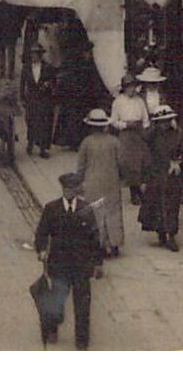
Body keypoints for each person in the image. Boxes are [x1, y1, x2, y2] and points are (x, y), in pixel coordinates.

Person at [31, 171, 102, 350]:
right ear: (63, 189)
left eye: (72, 189)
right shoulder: (51, 209)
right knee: (56, 301)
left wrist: (98, 263)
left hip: (80, 265)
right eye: (67, 189)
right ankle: (52, 330)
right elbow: (41, 233)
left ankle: (82, 341)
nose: (69, 192)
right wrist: (41, 250)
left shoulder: (85, 209)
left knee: (82, 305)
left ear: (77, 190)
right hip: (58, 264)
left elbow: (95, 238)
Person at [75, 108, 123, 260]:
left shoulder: (86, 143)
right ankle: (114, 243)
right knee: (113, 212)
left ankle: (98, 244)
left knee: (95, 213)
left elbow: (81, 166)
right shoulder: (114, 141)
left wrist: (78, 183)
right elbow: (121, 162)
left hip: (92, 182)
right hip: (111, 181)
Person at [139, 104, 183, 251]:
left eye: (167, 120)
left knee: (172, 205)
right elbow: (145, 142)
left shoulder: (177, 134)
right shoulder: (152, 136)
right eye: (161, 121)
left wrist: (178, 162)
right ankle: (161, 233)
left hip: (172, 176)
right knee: (157, 204)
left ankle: (171, 235)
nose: (165, 124)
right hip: (156, 175)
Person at [110, 75, 150, 205]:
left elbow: (145, 118)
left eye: (134, 86)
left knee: (142, 161)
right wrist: (126, 125)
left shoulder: (139, 101)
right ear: (125, 88)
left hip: (139, 133)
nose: (132, 90)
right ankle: (134, 192)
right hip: (126, 133)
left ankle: (142, 190)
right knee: (129, 163)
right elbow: (114, 121)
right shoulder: (118, 102)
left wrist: (145, 129)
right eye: (129, 87)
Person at [20, 44, 58, 159]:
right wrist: (22, 98)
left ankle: (43, 148)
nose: (34, 56)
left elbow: (54, 82)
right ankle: (30, 143)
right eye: (32, 54)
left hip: (44, 98)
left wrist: (48, 85)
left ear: (40, 55)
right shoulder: (26, 68)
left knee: (44, 123)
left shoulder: (48, 67)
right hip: (31, 98)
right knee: (31, 121)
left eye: (36, 54)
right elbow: (22, 84)